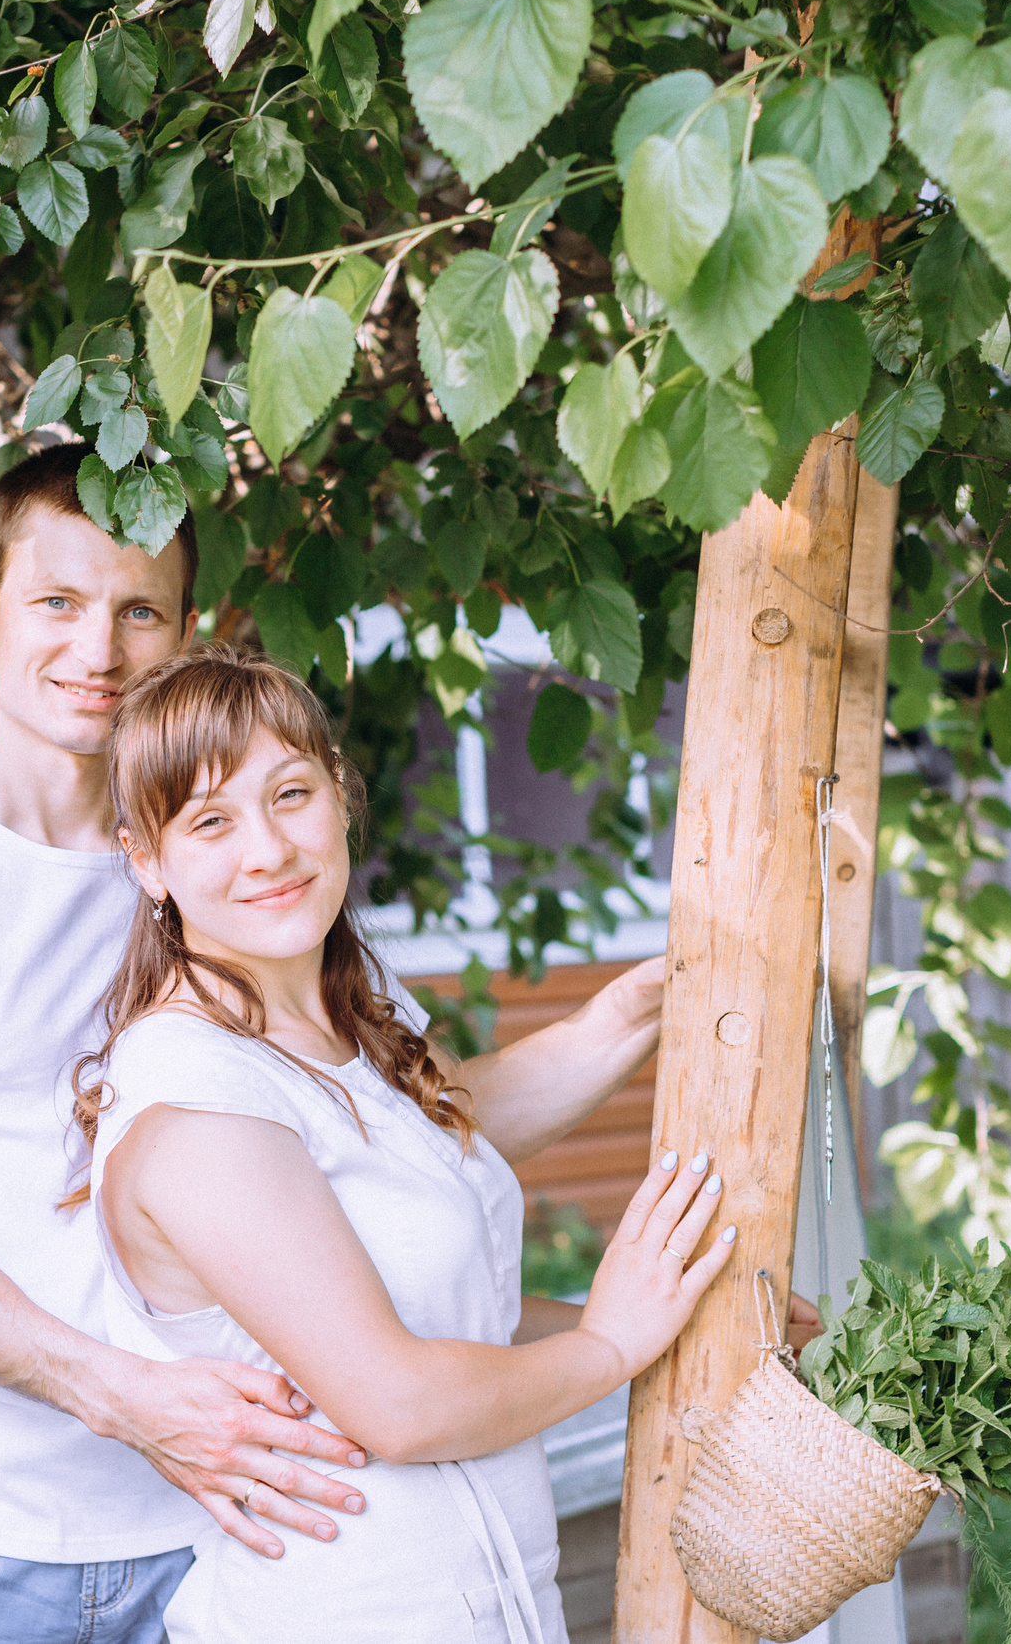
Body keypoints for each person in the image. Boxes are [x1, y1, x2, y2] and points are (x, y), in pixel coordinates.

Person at [0, 444, 676, 1644]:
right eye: (57, 602)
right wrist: (127, 1401)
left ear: (186, 631)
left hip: (224, 1522)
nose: (97, 649)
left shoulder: (238, 870)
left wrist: (622, 1021)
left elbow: (393, 1126)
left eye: (138, 611)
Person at [77, 641, 734, 1643]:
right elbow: (398, 1401)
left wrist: (679, 1317)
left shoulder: (347, 1020)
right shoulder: (197, 1100)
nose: (268, 849)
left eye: (290, 794)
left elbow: (450, 1264)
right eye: (211, 820)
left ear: (339, 792)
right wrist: (608, 1344)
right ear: (145, 860)